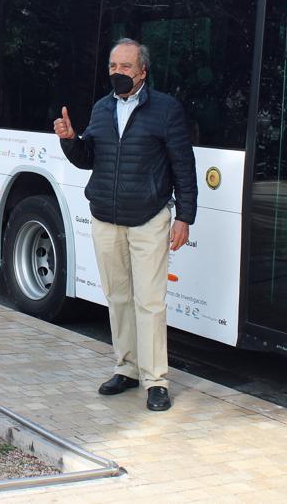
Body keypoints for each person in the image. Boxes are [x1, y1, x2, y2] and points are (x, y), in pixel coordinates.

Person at [54, 38, 197, 411]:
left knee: (149, 302)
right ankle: (127, 369)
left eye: (125, 67)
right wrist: (71, 141)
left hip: (149, 220)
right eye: (113, 67)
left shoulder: (166, 109)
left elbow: (184, 165)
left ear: (142, 72)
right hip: (106, 220)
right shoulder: (102, 109)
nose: (117, 73)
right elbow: (90, 158)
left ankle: (156, 382)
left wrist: (184, 217)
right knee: (118, 299)